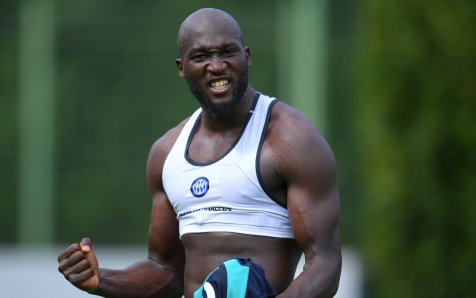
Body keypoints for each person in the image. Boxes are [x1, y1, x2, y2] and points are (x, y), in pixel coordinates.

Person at [58, 8, 341, 298]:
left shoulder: (291, 141)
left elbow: (325, 263)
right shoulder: (166, 153)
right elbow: (166, 273)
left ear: (247, 56)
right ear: (182, 68)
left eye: (227, 52)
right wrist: (99, 280)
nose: (216, 66)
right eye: (201, 56)